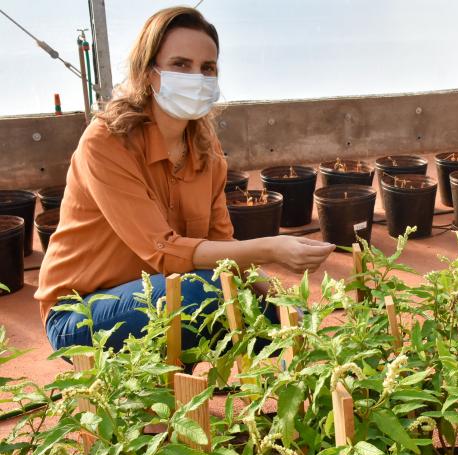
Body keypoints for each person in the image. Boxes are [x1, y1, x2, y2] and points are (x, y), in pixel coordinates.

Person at [36, 7, 335, 351]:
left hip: (165, 292)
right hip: (83, 313)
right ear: (149, 73)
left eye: (207, 68)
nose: (197, 77)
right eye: (181, 64)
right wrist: (272, 249)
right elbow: (161, 249)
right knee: (203, 293)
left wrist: (287, 304)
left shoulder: (207, 153)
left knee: (280, 317)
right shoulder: (107, 142)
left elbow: (224, 245)